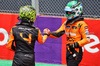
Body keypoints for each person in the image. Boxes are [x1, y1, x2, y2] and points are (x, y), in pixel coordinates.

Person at [43, 1, 90, 66]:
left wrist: (75, 45)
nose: (68, 13)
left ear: (77, 11)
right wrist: (49, 33)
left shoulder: (82, 24)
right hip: (68, 51)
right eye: (67, 12)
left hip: (76, 51)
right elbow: (58, 34)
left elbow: (87, 39)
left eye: (70, 12)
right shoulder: (66, 23)